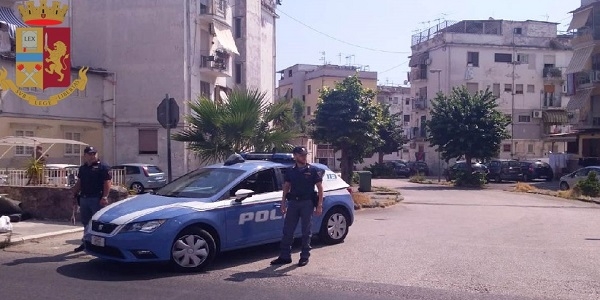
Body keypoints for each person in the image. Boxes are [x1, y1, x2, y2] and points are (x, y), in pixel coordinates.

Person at [271, 146, 324, 267]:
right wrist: (283, 202)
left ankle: (304, 256)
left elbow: (320, 188)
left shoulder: (313, 170)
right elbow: (286, 187)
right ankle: (285, 256)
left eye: (305, 155)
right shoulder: (290, 171)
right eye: (301, 155)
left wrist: (319, 205)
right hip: (293, 203)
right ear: (295, 156)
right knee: (288, 230)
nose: (304, 157)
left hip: (307, 203)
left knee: (306, 231)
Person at [71, 146, 112, 253]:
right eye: (90, 154)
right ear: (85, 156)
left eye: (94, 153)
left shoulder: (103, 167)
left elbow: (107, 183)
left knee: (98, 223)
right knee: (86, 223)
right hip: (84, 198)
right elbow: (79, 182)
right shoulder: (83, 168)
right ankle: (86, 242)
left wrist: (105, 197)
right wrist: (74, 193)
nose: (93, 156)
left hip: (96, 199)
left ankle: (100, 245)